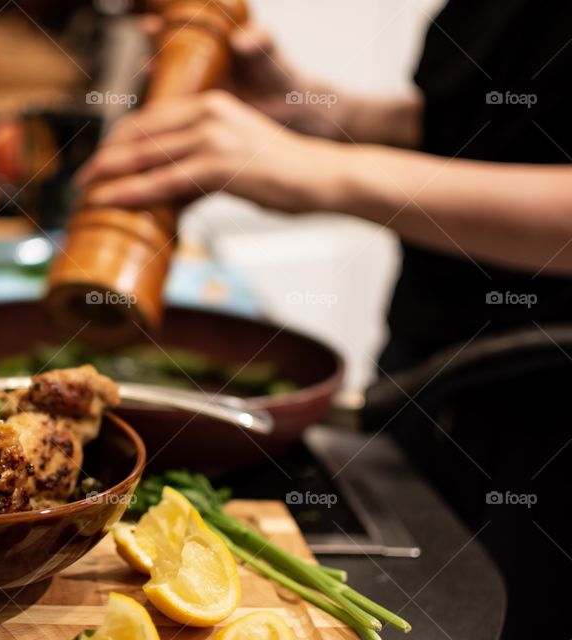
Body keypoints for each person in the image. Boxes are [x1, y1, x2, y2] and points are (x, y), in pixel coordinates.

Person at [76, 2, 572, 637]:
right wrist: (319, 111)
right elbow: (506, 124)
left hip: (549, 424)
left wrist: (330, 174)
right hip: (433, 369)